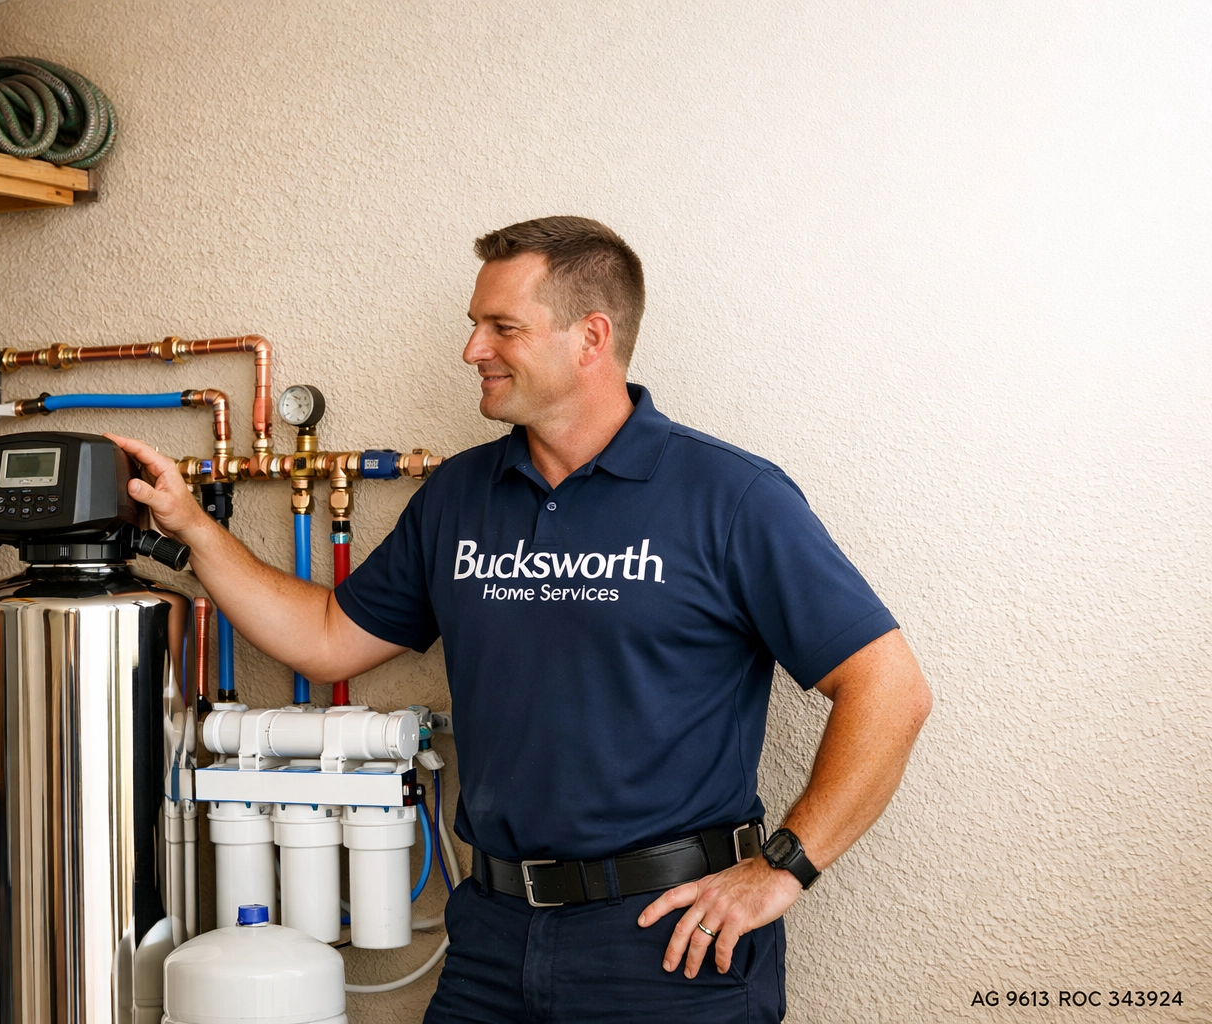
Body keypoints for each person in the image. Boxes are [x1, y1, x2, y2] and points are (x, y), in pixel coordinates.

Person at [109, 215, 932, 1023]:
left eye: (502, 327)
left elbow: (888, 690)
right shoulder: (459, 497)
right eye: (474, 326)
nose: (473, 350)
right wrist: (193, 528)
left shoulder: (730, 498)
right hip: (493, 937)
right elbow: (327, 639)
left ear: (591, 337)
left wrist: (783, 868)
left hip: (665, 946)